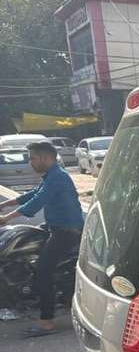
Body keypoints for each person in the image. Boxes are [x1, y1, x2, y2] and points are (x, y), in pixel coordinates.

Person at [0, 140, 85, 337]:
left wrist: (5, 218)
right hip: (55, 227)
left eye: (33, 158)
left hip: (66, 231)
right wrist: (6, 204)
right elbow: (34, 194)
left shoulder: (58, 178)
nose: (31, 162)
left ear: (46, 158)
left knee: (43, 271)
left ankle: (46, 321)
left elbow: (37, 202)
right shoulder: (52, 176)